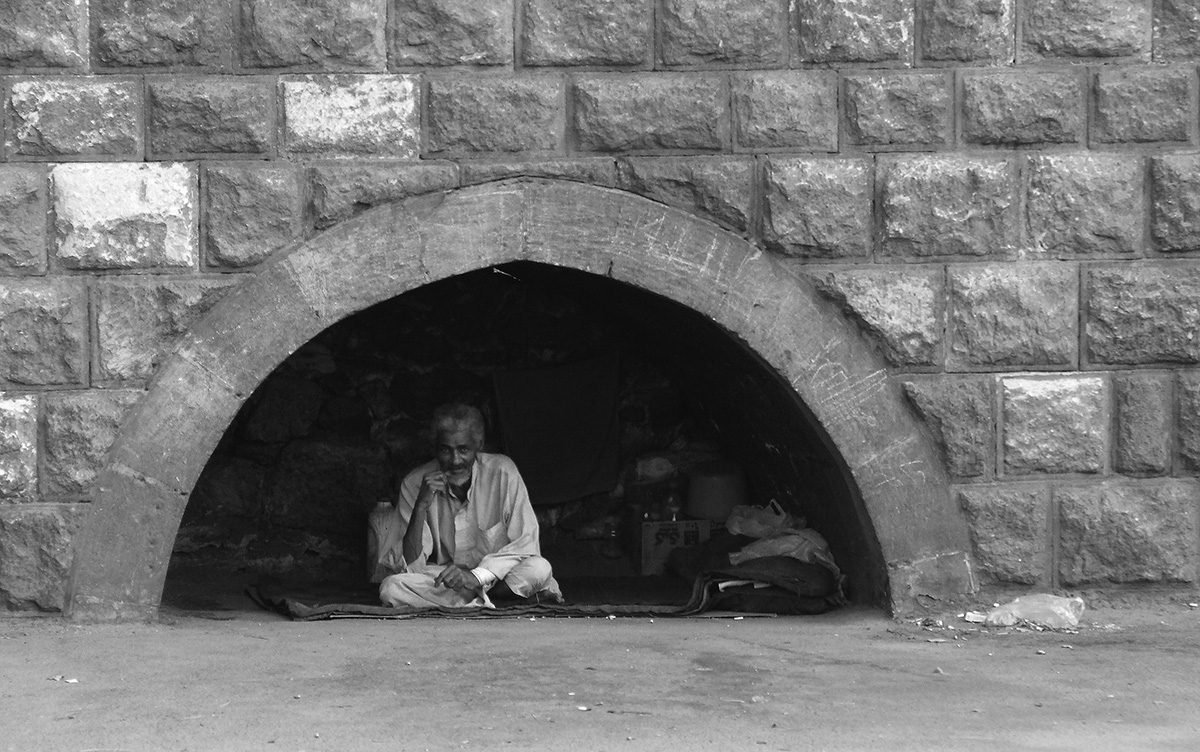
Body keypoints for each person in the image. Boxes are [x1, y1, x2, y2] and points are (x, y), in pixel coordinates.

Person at [368, 403, 563, 608]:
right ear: (435, 448)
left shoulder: (503, 472)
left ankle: (471, 601)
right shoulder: (415, 483)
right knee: (391, 587)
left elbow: (525, 544)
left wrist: (475, 577)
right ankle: (489, 603)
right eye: (445, 450)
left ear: (479, 444)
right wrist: (421, 506)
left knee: (539, 568)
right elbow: (409, 567)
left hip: (496, 577)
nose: (455, 460)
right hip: (447, 581)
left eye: (463, 449)